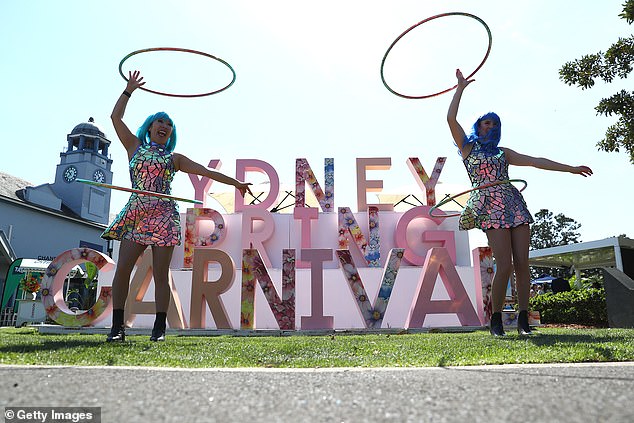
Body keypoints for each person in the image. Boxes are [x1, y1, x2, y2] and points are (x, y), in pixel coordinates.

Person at [102, 70, 252, 342]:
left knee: (161, 274)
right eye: (160, 121)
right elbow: (115, 118)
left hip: (162, 216)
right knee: (123, 267)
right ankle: (117, 327)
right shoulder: (134, 146)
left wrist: (236, 183)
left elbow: (207, 172)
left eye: (169, 124)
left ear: (170, 132)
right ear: (149, 127)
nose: (164, 125)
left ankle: (159, 329)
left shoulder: (175, 158)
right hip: (136, 212)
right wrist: (129, 90)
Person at [447, 69, 592, 336]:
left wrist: (570, 168)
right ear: (478, 127)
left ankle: (524, 319)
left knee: (523, 263)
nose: (491, 127)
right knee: (505, 265)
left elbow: (536, 161)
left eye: (495, 124)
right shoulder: (468, 149)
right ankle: (496, 319)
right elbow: (450, 118)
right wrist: (460, 88)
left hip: (513, 203)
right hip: (489, 206)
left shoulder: (504, 153)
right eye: (486, 123)